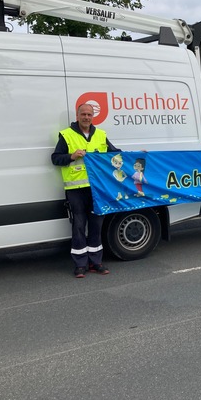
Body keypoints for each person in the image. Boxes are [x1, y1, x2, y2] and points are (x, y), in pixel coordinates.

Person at [51, 103, 120, 278]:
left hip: (97, 190)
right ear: (78, 115)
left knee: (96, 225)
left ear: (93, 116)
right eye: (83, 114)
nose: (86, 117)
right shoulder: (67, 135)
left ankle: (96, 262)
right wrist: (71, 156)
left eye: (89, 114)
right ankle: (80, 264)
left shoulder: (101, 135)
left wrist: (138, 156)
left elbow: (115, 155)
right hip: (76, 190)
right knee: (79, 226)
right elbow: (55, 158)